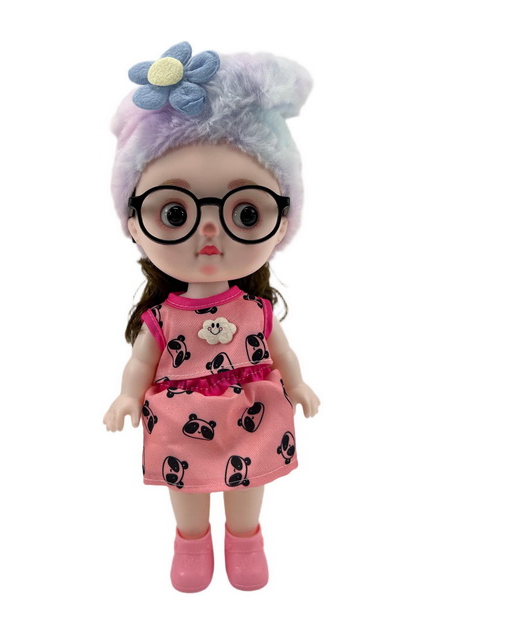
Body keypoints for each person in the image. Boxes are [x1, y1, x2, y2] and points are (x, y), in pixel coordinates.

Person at [103, 42, 320, 592]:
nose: (208, 231)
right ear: (134, 222)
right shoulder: (163, 318)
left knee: (249, 483)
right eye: (174, 212)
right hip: (182, 417)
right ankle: (191, 542)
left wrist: (296, 383)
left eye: (245, 212)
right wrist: (128, 395)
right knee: (188, 488)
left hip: (251, 409)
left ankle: (245, 541)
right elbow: (141, 361)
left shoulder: (257, 310)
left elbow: (282, 350)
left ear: (281, 222)